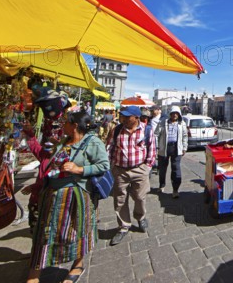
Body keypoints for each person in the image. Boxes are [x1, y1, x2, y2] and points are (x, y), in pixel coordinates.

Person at [27, 111, 109, 283]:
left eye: (66, 123)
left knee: (76, 231)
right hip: (52, 196)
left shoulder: (93, 142)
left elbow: (103, 165)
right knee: (44, 234)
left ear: (74, 126)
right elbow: (53, 166)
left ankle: (78, 264)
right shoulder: (63, 142)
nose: (62, 125)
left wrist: (79, 169)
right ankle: (34, 274)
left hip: (75, 196)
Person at [108, 106, 156, 246]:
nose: (123, 119)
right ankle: (123, 226)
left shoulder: (146, 130)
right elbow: (110, 148)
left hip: (139, 169)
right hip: (120, 170)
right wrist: (111, 166)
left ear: (136, 118)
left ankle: (140, 217)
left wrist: (147, 167)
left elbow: (151, 150)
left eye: (127, 117)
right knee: (120, 200)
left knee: (140, 197)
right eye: (122, 116)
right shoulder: (117, 129)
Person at [19, 124, 54, 234]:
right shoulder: (45, 156)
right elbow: (35, 147)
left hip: (46, 200)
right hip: (36, 199)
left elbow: (49, 181)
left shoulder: (58, 162)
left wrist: (33, 187)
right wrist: (29, 133)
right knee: (35, 227)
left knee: (42, 229)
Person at [155, 105, 188, 198]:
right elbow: (156, 134)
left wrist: (185, 147)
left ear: (179, 115)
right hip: (164, 148)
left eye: (176, 113)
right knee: (162, 169)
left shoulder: (182, 124)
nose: (174, 115)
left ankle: (175, 189)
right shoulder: (163, 122)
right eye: (173, 113)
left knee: (176, 169)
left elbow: (185, 136)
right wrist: (157, 147)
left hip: (176, 148)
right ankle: (162, 185)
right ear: (170, 114)